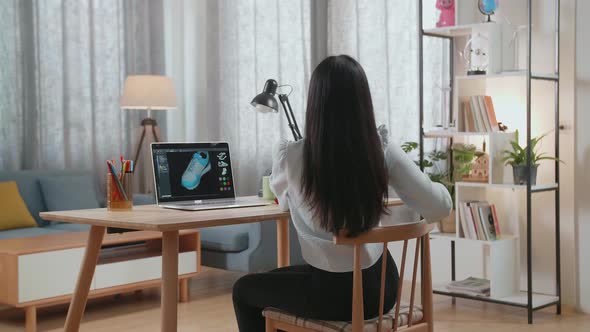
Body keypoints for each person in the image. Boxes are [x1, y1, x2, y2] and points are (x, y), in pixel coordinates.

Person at [232, 55, 452, 332]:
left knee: (244, 290)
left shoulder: (292, 156)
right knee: (276, 279)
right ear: (363, 101)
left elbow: (283, 205)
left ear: (315, 104)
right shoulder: (381, 148)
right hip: (383, 287)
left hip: (334, 296)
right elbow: (439, 207)